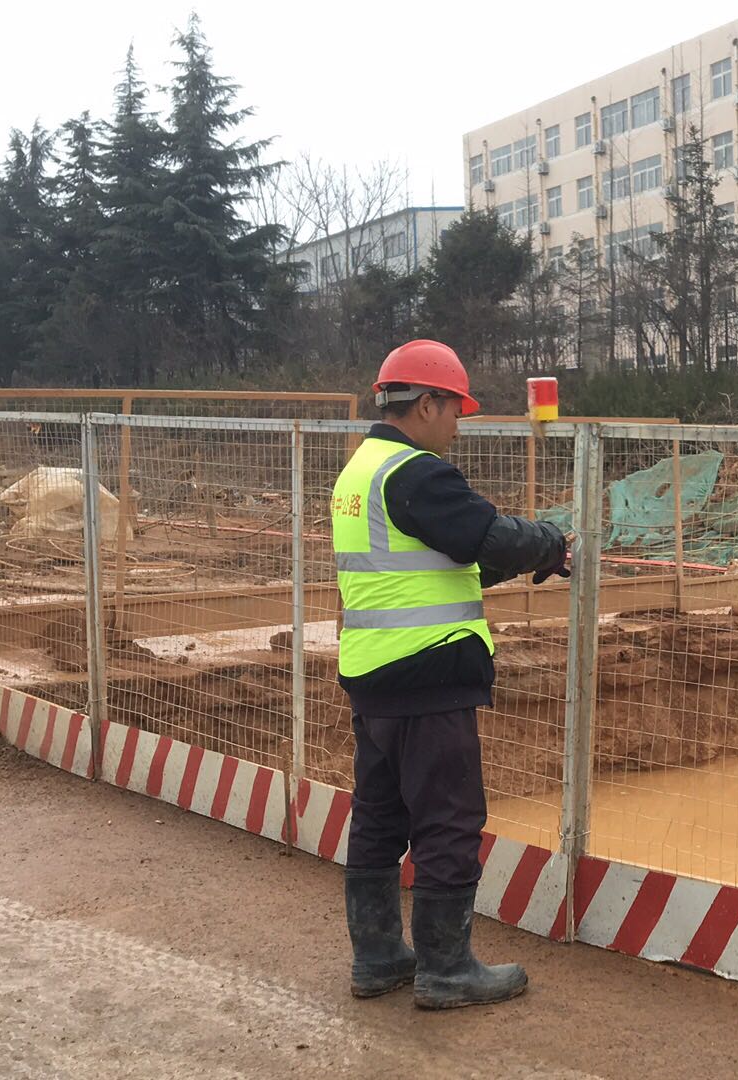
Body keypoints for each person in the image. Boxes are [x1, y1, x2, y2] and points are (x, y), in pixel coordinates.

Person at [331, 339, 568, 1010]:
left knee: (379, 818)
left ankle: (378, 957)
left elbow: (438, 561)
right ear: (427, 403)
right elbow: (485, 535)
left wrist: (529, 559)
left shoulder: (360, 471)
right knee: (448, 820)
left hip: (374, 675)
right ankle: (446, 969)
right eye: (455, 410)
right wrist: (551, 541)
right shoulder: (418, 473)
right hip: (428, 673)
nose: (458, 426)